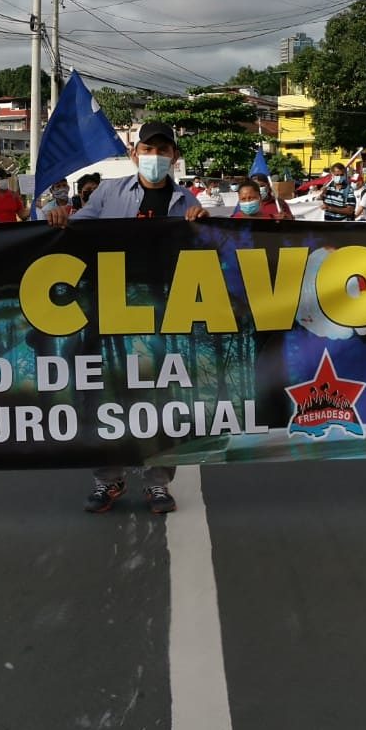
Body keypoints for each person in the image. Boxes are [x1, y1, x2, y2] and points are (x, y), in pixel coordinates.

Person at [46, 121, 209, 515]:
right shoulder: (109, 193)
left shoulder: (188, 202)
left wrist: (204, 227)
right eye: (148, 149)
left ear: (174, 156)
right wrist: (59, 218)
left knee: (163, 399)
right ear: (135, 154)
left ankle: (157, 483)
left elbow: (210, 250)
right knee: (109, 397)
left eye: (163, 150)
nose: (155, 156)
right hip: (111, 312)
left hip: (166, 313)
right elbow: (77, 230)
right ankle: (108, 480)